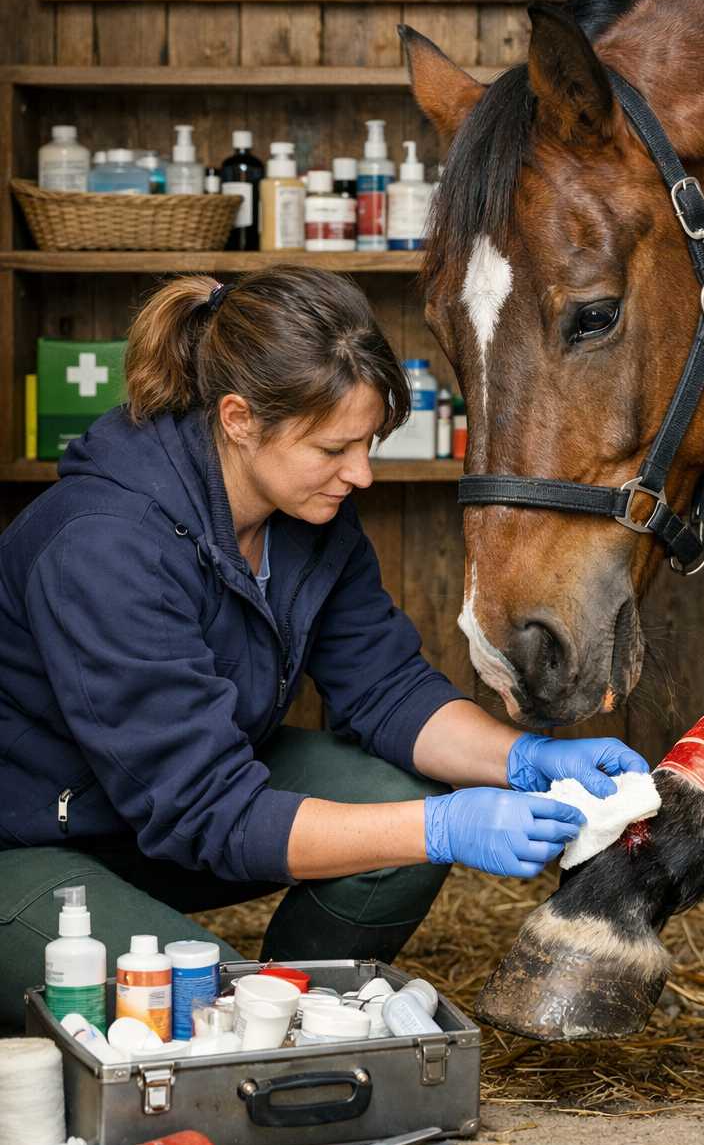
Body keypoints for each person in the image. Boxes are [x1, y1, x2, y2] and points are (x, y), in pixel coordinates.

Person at [0, 267, 647, 1029]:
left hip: (175, 818)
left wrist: (525, 760)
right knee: (200, 1009)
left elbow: (388, 691)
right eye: (334, 446)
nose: (362, 473)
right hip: (38, 848)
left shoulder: (304, 515)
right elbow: (211, 812)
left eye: (369, 442)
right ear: (239, 419)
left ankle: (312, 1015)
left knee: (396, 806)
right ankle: (268, 1030)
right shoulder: (102, 546)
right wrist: (445, 829)